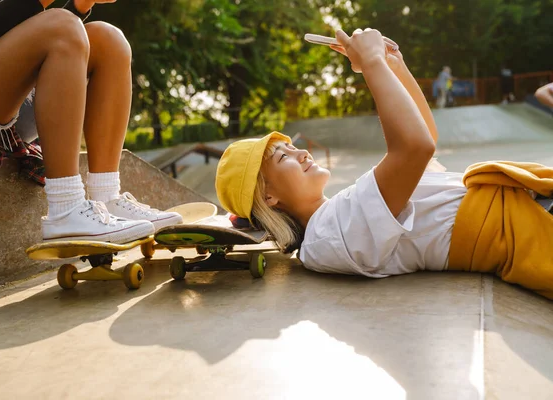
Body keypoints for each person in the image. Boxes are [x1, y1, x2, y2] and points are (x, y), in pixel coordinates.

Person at [214, 28, 553, 300]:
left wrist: (393, 65)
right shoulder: (327, 235)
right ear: (268, 196)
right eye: (283, 157)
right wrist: (372, 62)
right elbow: (414, 148)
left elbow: (424, 136)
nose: (302, 152)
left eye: (292, 145)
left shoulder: (346, 208)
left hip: (530, 213)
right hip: (528, 229)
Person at [0, 0, 182, 242]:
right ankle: (65, 207)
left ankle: (105, 198)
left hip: (6, 107)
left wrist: (80, 5)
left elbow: (34, 36)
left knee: (108, 39)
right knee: (61, 24)